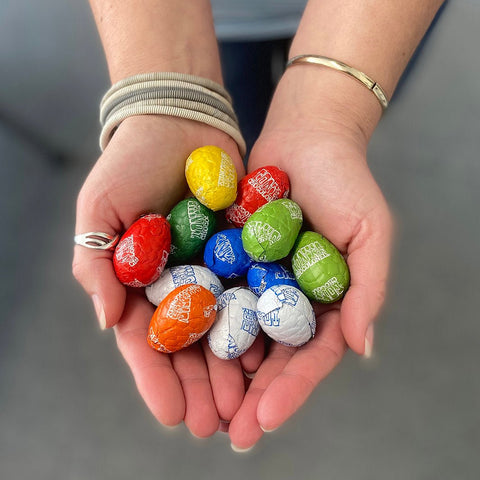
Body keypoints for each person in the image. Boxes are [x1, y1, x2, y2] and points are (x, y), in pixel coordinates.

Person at [73, 0, 445, 452]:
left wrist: (331, 111)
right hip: (203, 19)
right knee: (242, 102)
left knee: (268, 115)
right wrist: (166, 91)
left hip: (375, 20)